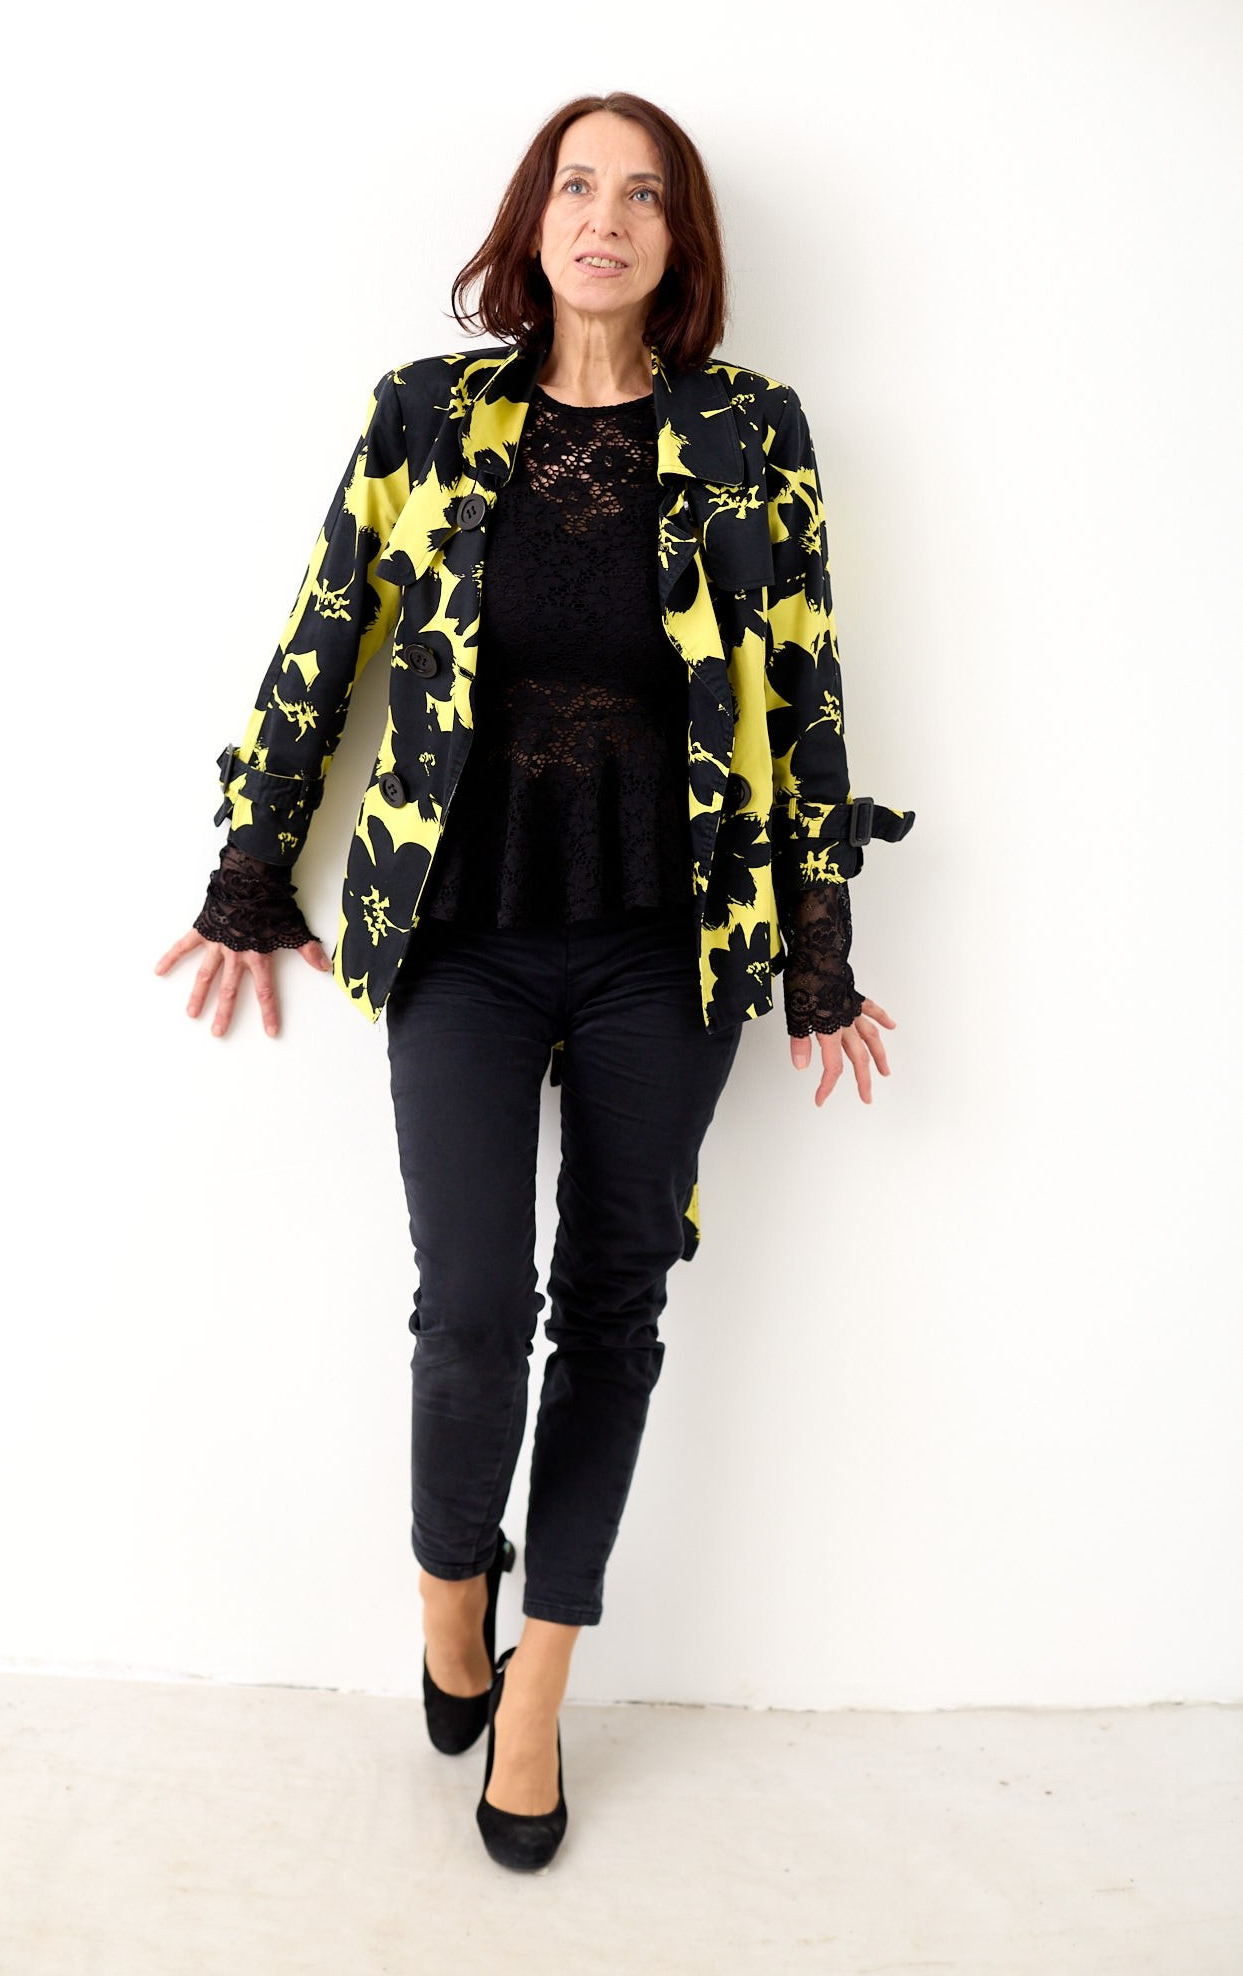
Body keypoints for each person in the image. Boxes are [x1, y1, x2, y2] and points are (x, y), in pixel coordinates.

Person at [155, 90, 915, 1873]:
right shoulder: (427, 413)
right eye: (577, 185)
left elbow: (802, 682)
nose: (605, 218)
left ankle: (537, 1691)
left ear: (677, 240)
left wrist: (819, 949)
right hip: (465, 933)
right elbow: (326, 630)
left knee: (615, 1311)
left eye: (643, 194)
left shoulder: (750, 429)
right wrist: (252, 868)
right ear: (532, 218)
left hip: (669, 942)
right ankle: (451, 1604)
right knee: (472, 1309)